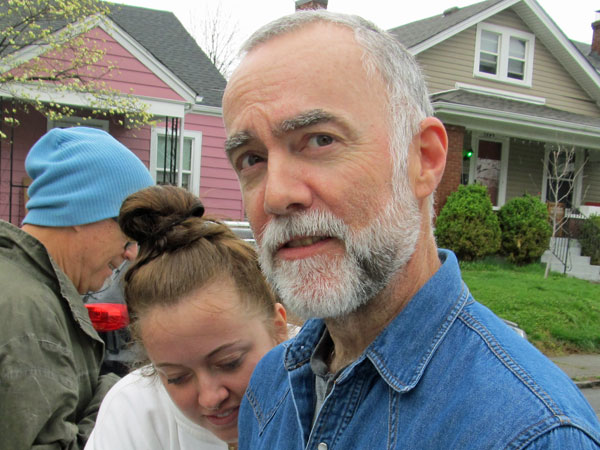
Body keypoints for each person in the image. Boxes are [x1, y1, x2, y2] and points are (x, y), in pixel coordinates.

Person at [221, 10, 600, 449]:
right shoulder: (270, 388)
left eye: (320, 139)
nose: (276, 195)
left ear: (424, 159)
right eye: (251, 159)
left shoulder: (529, 434)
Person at [85, 185, 288, 450]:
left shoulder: (329, 395)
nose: (210, 398)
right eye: (176, 377)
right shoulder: (133, 412)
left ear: (279, 328)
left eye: (229, 363)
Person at [0, 126, 154, 449]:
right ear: (81, 209)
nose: (132, 252)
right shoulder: (30, 314)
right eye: (129, 231)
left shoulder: (31, 288)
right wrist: (116, 394)